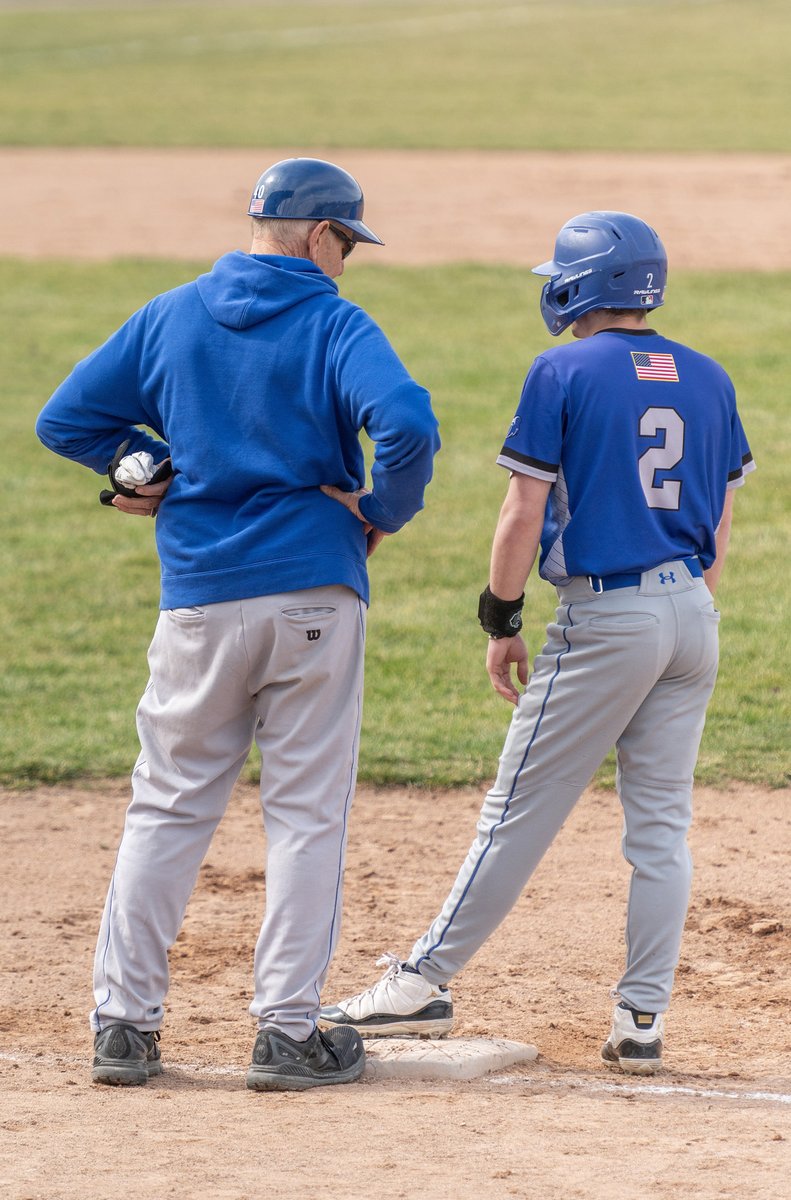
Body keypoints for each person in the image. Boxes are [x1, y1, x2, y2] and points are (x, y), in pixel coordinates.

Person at [36, 157, 440, 1091]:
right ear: (318, 235)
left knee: (167, 805)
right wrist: (381, 511)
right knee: (305, 815)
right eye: (346, 243)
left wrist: (145, 466)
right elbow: (408, 424)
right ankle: (287, 1034)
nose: (346, 260)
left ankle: (122, 1028)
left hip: (198, 597)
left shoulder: (170, 314)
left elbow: (66, 421)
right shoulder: (334, 322)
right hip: (312, 594)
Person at [318, 211, 755, 1075]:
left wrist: (502, 616)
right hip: (690, 618)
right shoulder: (709, 377)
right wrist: (680, 614)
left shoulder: (561, 369)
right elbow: (720, 522)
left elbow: (523, 511)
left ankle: (421, 983)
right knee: (660, 830)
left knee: (514, 809)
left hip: (607, 620)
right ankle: (640, 1019)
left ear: (581, 286)